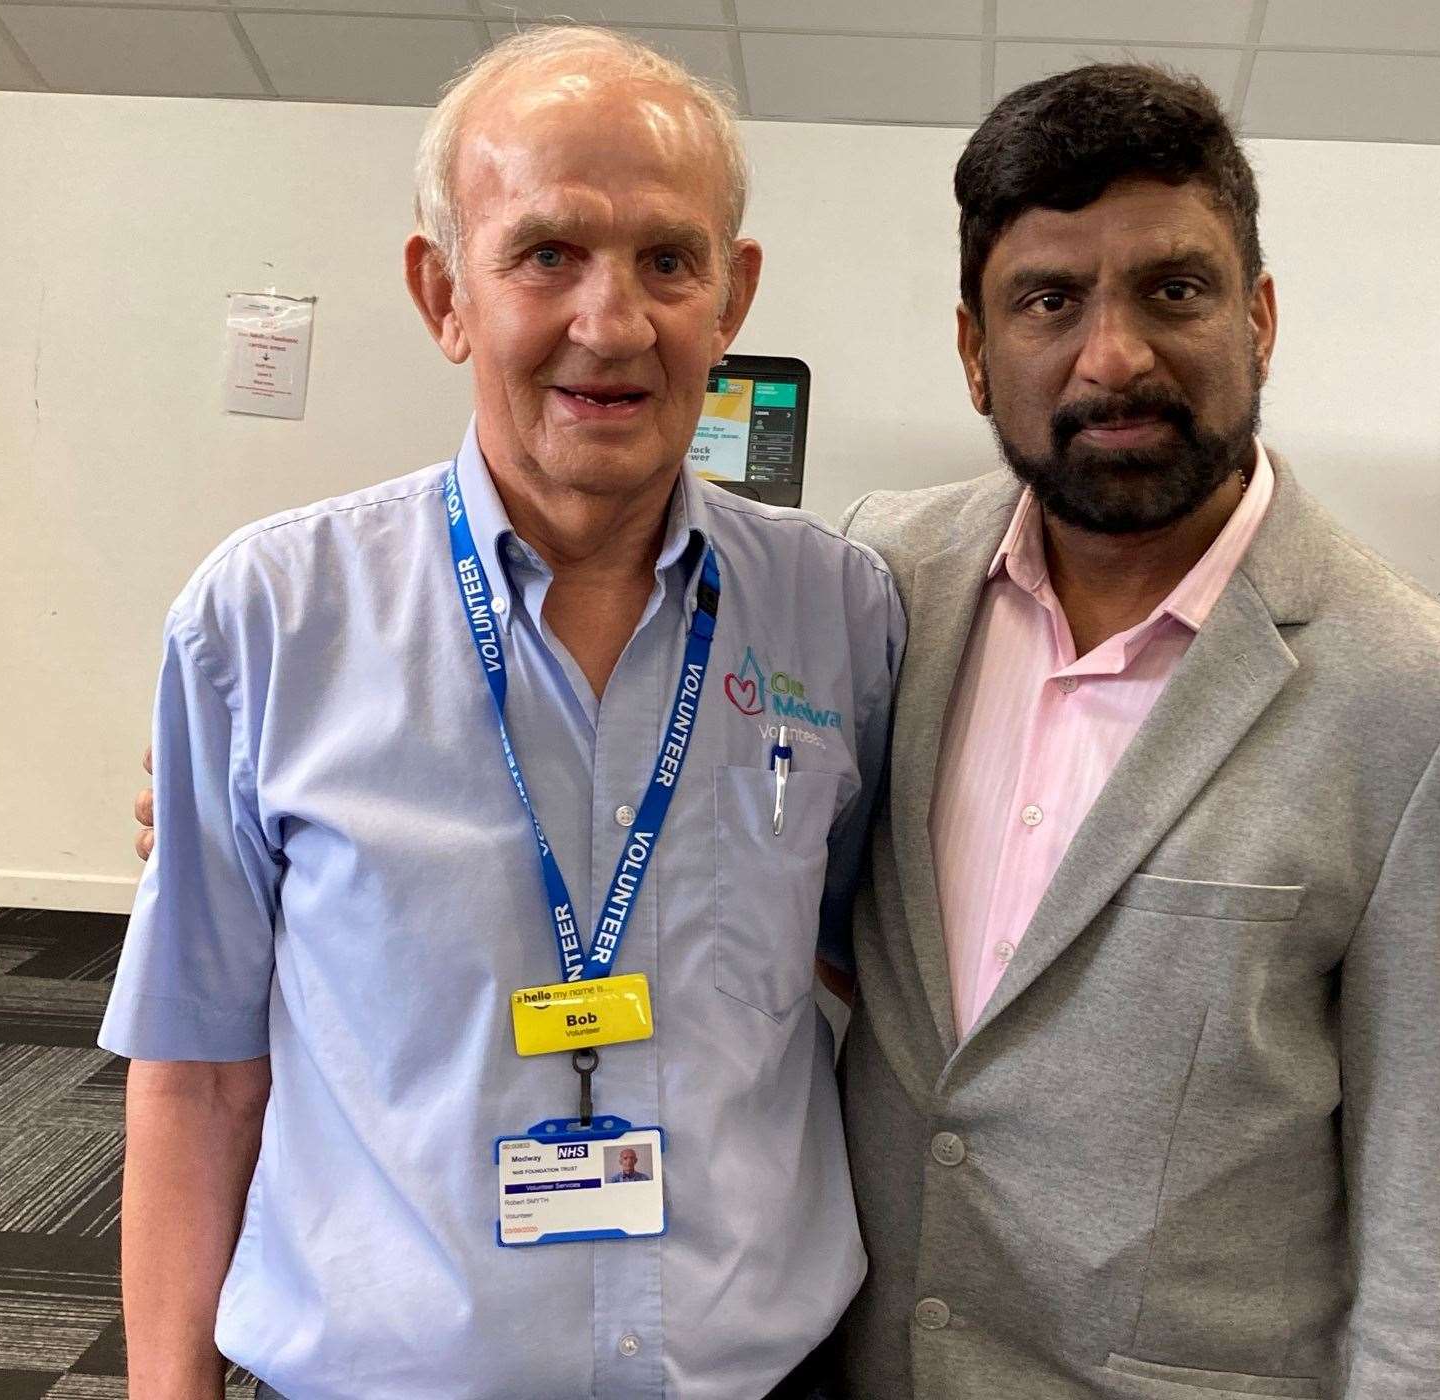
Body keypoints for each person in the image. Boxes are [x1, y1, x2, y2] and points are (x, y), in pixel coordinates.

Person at [105, 26, 899, 1400]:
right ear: (444, 292)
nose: (612, 322)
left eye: (669, 259)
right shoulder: (267, 626)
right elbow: (197, 1074)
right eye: (546, 254)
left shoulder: (840, 613)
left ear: (732, 296)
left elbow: (866, 960)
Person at [835, 66, 1440, 1398]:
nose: (1115, 357)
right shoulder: (886, 579)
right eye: (1049, 299)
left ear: (1258, 318)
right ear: (976, 349)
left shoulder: (1428, 703)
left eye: (1175, 289)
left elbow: (1438, 1226)